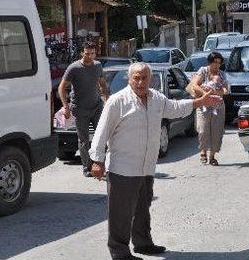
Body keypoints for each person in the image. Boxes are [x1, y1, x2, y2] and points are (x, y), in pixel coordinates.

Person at [89, 62, 220, 260]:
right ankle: (119, 252)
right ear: (129, 78)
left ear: (150, 79)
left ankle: (143, 243)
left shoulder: (156, 98)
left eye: (144, 78)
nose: (140, 82)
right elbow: (102, 132)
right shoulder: (117, 101)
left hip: (146, 167)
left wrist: (199, 102)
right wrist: (97, 161)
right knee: (121, 213)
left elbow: (175, 108)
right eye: (136, 78)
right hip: (123, 169)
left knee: (142, 209)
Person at [58, 41, 109, 177]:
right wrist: (65, 106)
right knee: (84, 140)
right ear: (82, 53)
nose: (90, 56)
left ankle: (100, 165)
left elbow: (103, 84)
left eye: (92, 54)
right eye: (87, 54)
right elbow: (62, 87)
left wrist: (107, 100)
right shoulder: (74, 68)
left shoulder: (97, 66)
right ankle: (87, 168)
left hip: (97, 107)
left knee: (101, 137)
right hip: (80, 110)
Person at [189, 52, 229, 166]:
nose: (216, 65)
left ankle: (212, 157)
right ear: (209, 62)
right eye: (214, 62)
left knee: (217, 132)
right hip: (203, 106)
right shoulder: (203, 71)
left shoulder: (222, 74)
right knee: (202, 130)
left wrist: (215, 92)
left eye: (219, 62)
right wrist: (206, 93)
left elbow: (225, 91)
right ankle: (203, 152)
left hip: (218, 106)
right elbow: (195, 85)